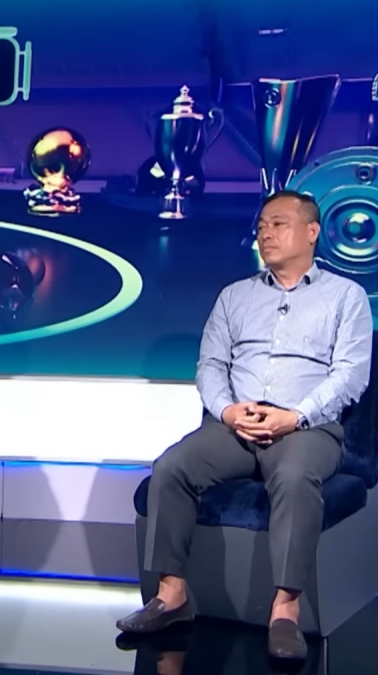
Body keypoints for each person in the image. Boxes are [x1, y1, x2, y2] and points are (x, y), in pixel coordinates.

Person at [116, 191, 372, 660]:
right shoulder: (235, 296)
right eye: (261, 226)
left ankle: (285, 611)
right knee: (171, 467)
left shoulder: (346, 297)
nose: (265, 234)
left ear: (312, 232)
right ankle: (172, 596)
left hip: (307, 427)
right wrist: (228, 411)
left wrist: (297, 415)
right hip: (236, 423)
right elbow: (210, 365)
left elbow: (351, 374)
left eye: (278, 224)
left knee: (294, 476)